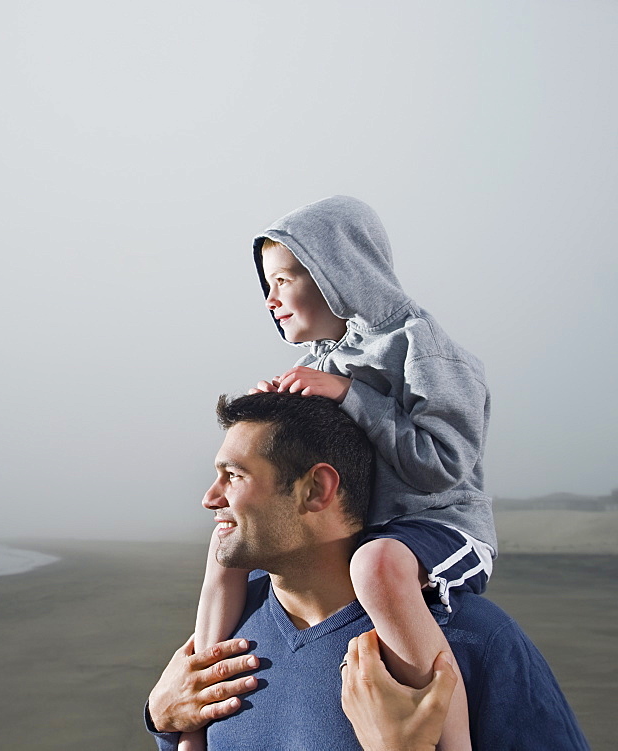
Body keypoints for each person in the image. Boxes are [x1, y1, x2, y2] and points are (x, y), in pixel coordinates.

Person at [188, 196, 496, 750]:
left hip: (439, 526)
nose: (271, 299)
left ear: (341, 268)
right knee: (227, 547)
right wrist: (279, 415)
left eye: (284, 278)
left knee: (377, 566)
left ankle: (453, 742)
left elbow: (444, 465)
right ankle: (198, 700)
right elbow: (333, 450)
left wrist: (352, 395)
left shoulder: (419, 344)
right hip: (366, 527)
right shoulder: (328, 360)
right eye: (266, 285)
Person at [146, 392, 589, 750]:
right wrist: (161, 720)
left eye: (234, 476)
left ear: (316, 489)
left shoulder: (472, 638)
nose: (209, 497)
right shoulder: (222, 637)